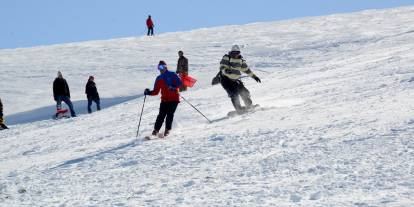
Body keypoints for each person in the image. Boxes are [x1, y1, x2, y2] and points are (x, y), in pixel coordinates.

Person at [217, 45, 261, 114]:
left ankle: (249, 106)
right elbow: (222, 66)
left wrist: (254, 77)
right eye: (234, 53)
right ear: (231, 52)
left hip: (235, 80)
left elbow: (246, 70)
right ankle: (239, 109)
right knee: (234, 94)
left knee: (245, 92)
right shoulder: (227, 57)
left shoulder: (240, 61)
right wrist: (226, 70)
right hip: (226, 80)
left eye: (237, 53)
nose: (236, 55)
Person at [144, 61, 182, 137]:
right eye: (159, 67)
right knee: (161, 115)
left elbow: (180, 83)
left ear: (165, 67)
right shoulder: (159, 78)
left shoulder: (172, 74)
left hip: (174, 98)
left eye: (161, 67)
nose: (160, 69)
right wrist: (148, 92)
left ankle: (167, 130)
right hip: (164, 100)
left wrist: (173, 87)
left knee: (169, 114)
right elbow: (156, 92)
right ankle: (156, 131)